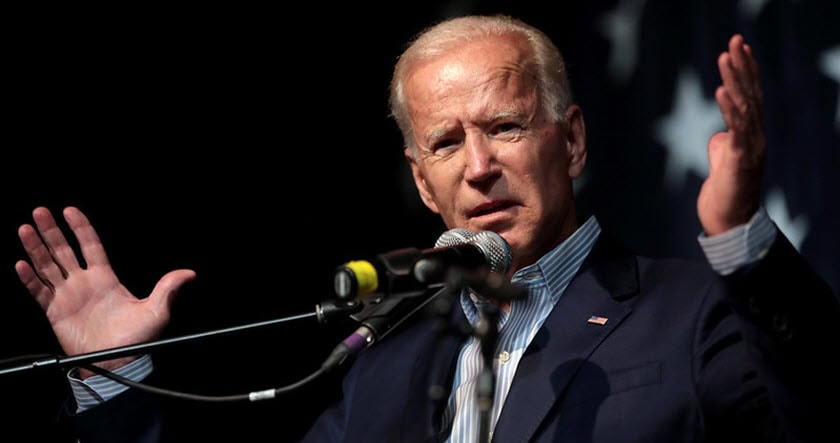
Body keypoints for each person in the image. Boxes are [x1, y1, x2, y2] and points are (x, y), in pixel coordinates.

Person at [12, 13, 838, 443]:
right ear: (422, 182)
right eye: (446, 142)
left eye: (506, 127)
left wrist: (740, 241)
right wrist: (117, 376)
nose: (477, 164)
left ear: (574, 139)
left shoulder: (692, 310)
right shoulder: (390, 363)